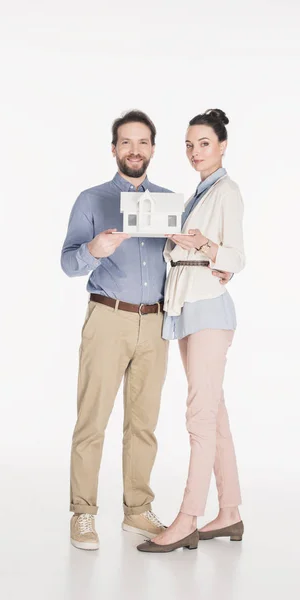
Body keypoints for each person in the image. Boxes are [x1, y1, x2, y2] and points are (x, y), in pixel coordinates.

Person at [61, 110, 233, 551]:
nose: (134, 150)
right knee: (92, 420)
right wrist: (93, 250)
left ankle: (137, 510)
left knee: (143, 424)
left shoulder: (170, 204)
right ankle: (83, 513)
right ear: (114, 148)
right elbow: (67, 262)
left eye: (142, 143)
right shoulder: (91, 199)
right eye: (126, 142)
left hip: (156, 320)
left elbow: (186, 259)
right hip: (107, 317)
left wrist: (208, 258)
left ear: (153, 149)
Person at [137, 109, 245, 554]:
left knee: (198, 418)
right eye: (188, 144)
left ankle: (188, 519)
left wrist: (202, 244)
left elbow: (236, 257)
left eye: (203, 143)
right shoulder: (195, 195)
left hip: (207, 312)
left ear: (221, 146)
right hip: (187, 308)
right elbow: (194, 253)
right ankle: (231, 512)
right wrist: (178, 240)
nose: (195, 152)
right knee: (213, 415)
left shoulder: (227, 191)